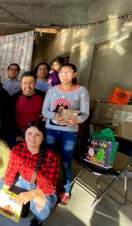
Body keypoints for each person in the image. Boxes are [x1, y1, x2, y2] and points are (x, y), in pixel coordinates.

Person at [42, 63, 90, 206]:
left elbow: (85, 113)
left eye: (68, 72)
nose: (64, 75)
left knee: (66, 161)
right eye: (62, 72)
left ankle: (66, 190)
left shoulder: (81, 91)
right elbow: (44, 111)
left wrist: (77, 119)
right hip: (51, 130)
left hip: (69, 132)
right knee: (49, 159)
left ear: (74, 74)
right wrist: (53, 115)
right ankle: (47, 186)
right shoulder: (51, 91)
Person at [2, 121, 59, 226]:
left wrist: (33, 194)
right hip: (23, 181)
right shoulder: (16, 150)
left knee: (40, 208)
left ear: (43, 138)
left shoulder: (51, 156)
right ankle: (26, 204)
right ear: (24, 135)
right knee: (9, 199)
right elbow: (10, 173)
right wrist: (2, 194)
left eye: (38, 135)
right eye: (30, 133)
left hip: (41, 186)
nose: (33, 138)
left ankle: (37, 219)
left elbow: (49, 185)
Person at [10, 71, 44, 146]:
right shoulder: (14, 98)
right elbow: (10, 118)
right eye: (25, 83)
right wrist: (15, 135)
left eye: (31, 83)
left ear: (35, 83)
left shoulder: (43, 96)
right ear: (21, 84)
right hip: (19, 132)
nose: (28, 86)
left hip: (37, 132)